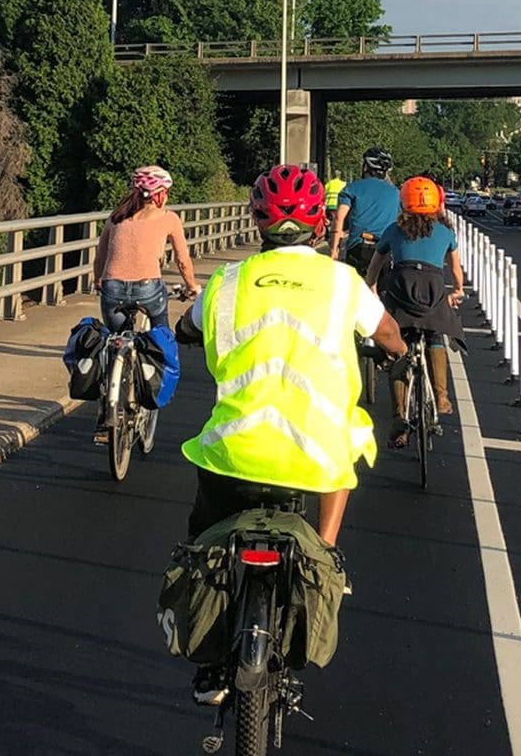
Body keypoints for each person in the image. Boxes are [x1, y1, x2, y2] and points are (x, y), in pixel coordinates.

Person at [175, 164, 406, 704]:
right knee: (347, 438)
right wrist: (395, 351)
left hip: (233, 452)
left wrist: (190, 330)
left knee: (200, 545)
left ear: (256, 219)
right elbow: (388, 333)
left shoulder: (227, 282)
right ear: (319, 223)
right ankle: (325, 553)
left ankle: (210, 664)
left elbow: (188, 325)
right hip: (312, 456)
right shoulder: (340, 281)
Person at [89, 166, 200, 444]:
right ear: (160, 194)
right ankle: (153, 390)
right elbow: (182, 261)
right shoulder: (168, 218)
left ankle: (108, 404)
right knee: (161, 341)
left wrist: (98, 281)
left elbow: (100, 257)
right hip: (149, 288)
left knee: (114, 342)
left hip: (112, 288)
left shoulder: (116, 217)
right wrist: (191, 287)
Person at [363, 176, 466, 448]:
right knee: (434, 336)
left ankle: (399, 419)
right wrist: (457, 290)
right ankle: (442, 396)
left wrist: (371, 288)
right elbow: (456, 270)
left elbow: (375, 265)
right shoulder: (446, 233)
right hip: (432, 289)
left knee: (399, 348)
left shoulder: (393, 230)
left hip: (401, 289)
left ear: (404, 203)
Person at [329, 146, 399, 274]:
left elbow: (339, 218)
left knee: (355, 289)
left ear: (366, 166)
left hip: (359, 246)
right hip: (385, 248)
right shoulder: (395, 192)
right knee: (382, 289)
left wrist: (334, 249)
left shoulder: (352, 188)